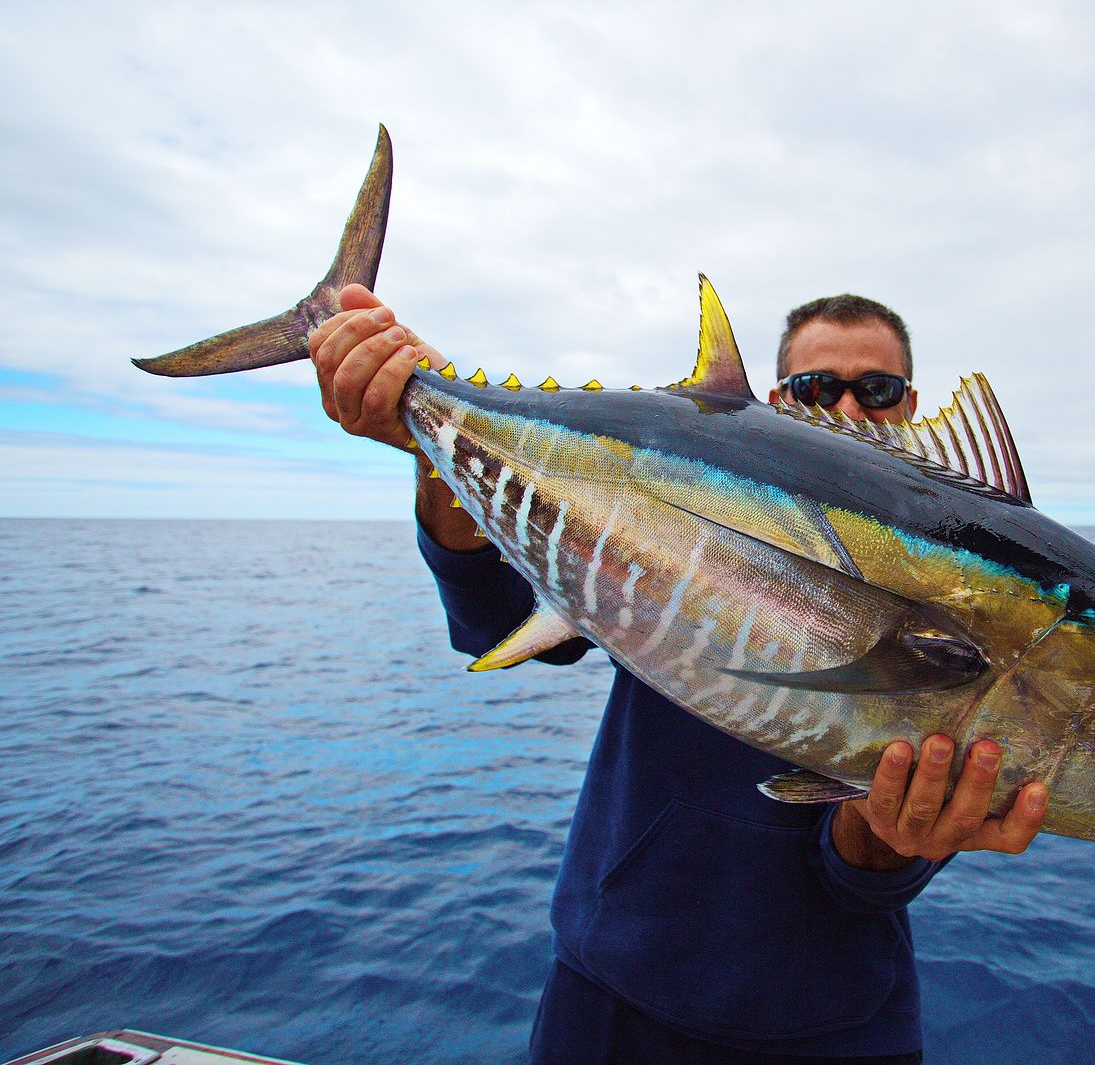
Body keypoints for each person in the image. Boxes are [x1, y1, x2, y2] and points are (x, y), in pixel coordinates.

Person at [308, 284, 1050, 1063]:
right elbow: (500, 625)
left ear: (911, 404)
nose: (850, 410)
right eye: (813, 388)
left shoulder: (977, 588)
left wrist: (891, 838)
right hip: (611, 995)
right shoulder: (679, 493)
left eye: (878, 389)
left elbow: (856, 875)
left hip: (837, 1024)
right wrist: (433, 447)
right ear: (773, 402)